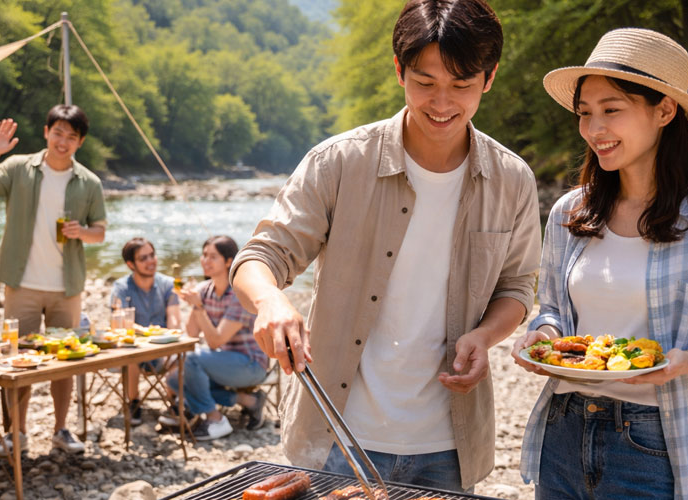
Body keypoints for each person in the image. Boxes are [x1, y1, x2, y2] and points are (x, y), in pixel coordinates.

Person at [230, 0, 541, 491]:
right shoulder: (339, 162)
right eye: (426, 82)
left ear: (489, 77)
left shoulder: (511, 179)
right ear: (399, 71)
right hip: (335, 436)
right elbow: (260, 256)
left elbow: (518, 285)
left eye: (461, 85)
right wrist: (270, 301)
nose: (442, 103)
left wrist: (485, 337)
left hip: (449, 444)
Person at [510, 28, 688, 500]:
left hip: (657, 444)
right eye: (585, 114)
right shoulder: (570, 212)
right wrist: (543, 339)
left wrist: (687, 361)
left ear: (664, 110)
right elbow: (551, 310)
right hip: (564, 429)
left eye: (612, 110)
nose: (594, 130)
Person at [0, 105, 107, 455]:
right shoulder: (18, 168)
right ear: (46, 132)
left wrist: (81, 232)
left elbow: (100, 234)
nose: (63, 141)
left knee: (66, 362)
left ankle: (61, 429)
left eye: (71, 137)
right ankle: (17, 433)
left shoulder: (89, 182)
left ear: (80, 142)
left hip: (66, 287)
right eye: (57, 133)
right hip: (21, 283)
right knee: (17, 361)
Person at [164, 235, 268, 440]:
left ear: (229, 261)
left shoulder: (240, 294)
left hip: (250, 364)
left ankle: (215, 419)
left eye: (213, 257)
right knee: (175, 380)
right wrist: (196, 304)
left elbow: (215, 341)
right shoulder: (204, 290)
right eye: (204, 255)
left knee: (190, 359)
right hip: (222, 361)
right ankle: (249, 401)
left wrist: (198, 306)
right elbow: (192, 334)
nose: (205, 260)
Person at [110, 237, 181, 424]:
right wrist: (144, 333)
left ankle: (173, 402)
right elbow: (119, 323)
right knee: (130, 353)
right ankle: (133, 402)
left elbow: (174, 318)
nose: (151, 261)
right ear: (130, 264)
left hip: (161, 349)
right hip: (133, 350)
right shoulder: (121, 287)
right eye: (144, 258)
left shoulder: (168, 284)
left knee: (180, 354)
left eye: (152, 255)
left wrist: (170, 337)